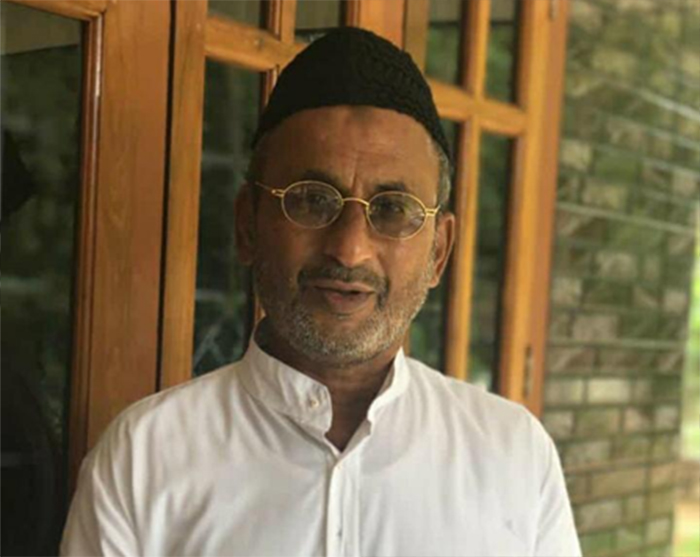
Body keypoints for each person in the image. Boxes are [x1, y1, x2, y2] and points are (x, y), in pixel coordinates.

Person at [61, 27, 581, 557]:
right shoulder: (145, 459)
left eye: (393, 209)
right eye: (311, 200)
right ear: (248, 225)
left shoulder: (513, 456)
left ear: (439, 252)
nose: (349, 250)